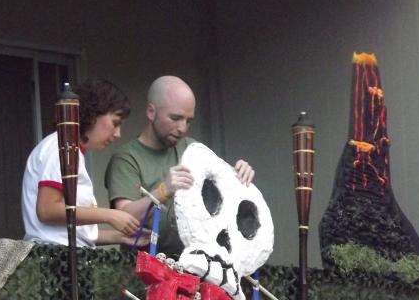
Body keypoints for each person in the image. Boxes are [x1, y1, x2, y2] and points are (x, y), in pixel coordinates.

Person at [105, 75, 254, 254]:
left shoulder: (191, 149)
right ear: (151, 112)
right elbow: (123, 219)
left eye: (188, 120)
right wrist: (162, 191)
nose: (182, 128)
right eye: (175, 118)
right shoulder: (126, 158)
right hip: (143, 265)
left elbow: (227, 189)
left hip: (194, 263)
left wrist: (240, 172)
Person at [22, 79, 146, 247]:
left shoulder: (72, 150)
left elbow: (77, 235)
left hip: (65, 252)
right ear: (93, 115)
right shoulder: (61, 146)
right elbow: (47, 210)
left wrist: (121, 237)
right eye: (115, 123)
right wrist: (109, 215)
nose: (118, 134)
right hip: (53, 255)